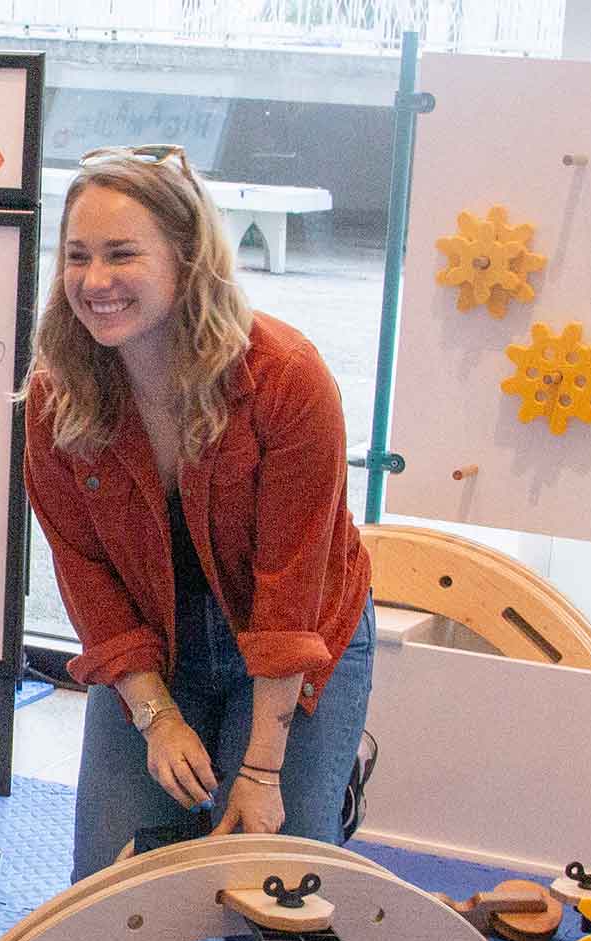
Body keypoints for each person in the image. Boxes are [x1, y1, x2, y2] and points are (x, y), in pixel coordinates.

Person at [20, 144, 374, 890]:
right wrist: (157, 717)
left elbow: (293, 588)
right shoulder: (57, 395)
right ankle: (205, 767)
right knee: (115, 900)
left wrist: (261, 769)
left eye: (122, 255)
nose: (94, 282)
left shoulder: (286, 377)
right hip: (159, 643)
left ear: (188, 260)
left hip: (294, 637)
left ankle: (324, 789)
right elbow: (83, 573)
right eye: (77, 256)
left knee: (267, 914)